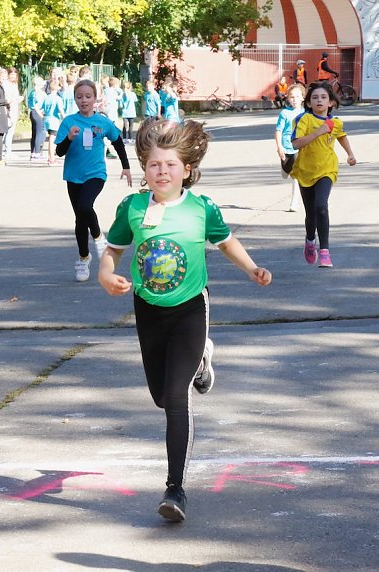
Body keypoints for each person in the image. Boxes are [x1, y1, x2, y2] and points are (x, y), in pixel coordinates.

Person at [98, 118, 272, 522]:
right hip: (148, 310)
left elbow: (226, 241)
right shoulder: (133, 208)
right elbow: (112, 252)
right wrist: (106, 276)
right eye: (155, 164)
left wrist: (251, 268)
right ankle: (204, 360)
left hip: (192, 308)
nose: (162, 172)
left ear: (187, 170)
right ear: (145, 168)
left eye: (171, 165)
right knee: (161, 397)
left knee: (176, 399)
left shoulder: (201, 208)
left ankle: (175, 489)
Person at [54, 79, 132, 282]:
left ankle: (98, 238)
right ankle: (83, 258)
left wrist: (126, 166)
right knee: (80, 218)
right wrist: (69, 138)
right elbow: (59, 152)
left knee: (85, 206)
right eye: (79, 97)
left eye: (88, 96)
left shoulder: (103, 122)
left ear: (95, 98)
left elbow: (118, 141)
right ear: (75, 99)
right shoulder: (69, 122)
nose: (84, 100)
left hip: (96, 174)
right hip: (73, 175)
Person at [290, 81, 356, 269]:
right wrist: (318, 132)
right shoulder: (304, 120)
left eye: (323, 97)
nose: (319, 100)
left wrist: (350, 154)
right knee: (311, 215)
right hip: (305, 171)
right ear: (309, 103)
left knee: (321, 207)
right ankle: (310, 241)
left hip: (327, 169)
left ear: (331, 103)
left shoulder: (335, 123)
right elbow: (296, 144)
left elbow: (341, 135)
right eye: (315, 97)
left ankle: (325, 251)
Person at [275, 83, 305, 212]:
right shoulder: (285, 113)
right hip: (287, 148)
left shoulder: (306, 113)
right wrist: (279, 147)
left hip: (300, 148)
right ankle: (283, 168)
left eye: (298, 96)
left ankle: (294, 202)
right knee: (285, 174)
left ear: (303, 98)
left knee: (296, 177)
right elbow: (278, 131)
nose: (295, 99)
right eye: (292, 97)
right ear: (288, 99)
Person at [41, 77, 64, 166]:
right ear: (57, 87)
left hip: (47, 118)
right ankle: (51, 158)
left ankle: (50, 157)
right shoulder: (57, 98)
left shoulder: (47, 97)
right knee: (53, 139)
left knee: (51, 137)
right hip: (54, 119)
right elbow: (61, 110)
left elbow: (42, 109)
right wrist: (65, 118)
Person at [3, 67, 22, 160]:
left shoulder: (14, 84)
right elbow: (8, 98)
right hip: (9, 109)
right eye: (11, 75)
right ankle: (3, 151)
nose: (13, 77)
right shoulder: (6, 84)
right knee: (6, 131)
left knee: (10, 132)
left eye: (14, 75)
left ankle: (8, 151)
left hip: (14, 109)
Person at [27, 76, 46, 161]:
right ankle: (37, 153)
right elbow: (37, 105)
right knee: (39, 133)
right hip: (38, 112)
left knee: (34, 133)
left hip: (32, 113)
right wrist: (41, 113)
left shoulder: (32, 92)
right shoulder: (39, 93)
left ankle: (33, 152)